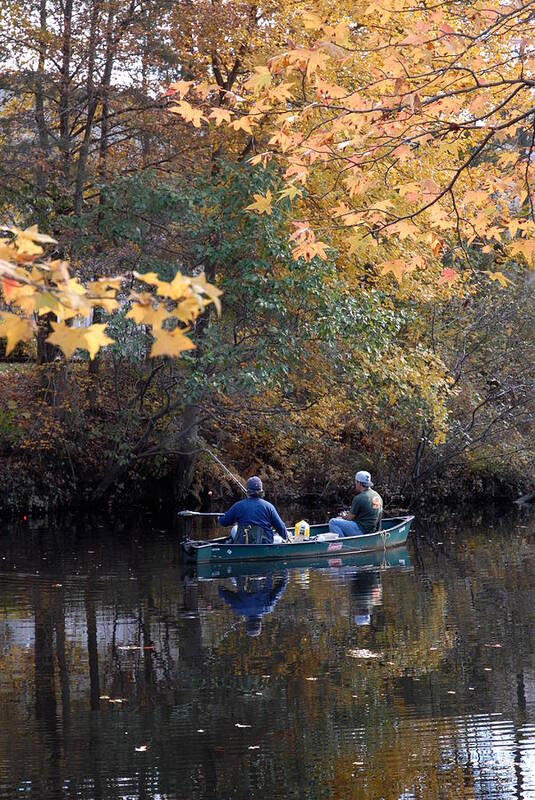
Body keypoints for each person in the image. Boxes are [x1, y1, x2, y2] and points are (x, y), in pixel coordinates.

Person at [218, 476, 288, 544]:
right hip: (264, 543)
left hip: (244, 543)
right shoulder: (269, 507)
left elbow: (224, 522)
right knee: (279, 538)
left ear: (248, 491)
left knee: (234, 528)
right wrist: (286, 537)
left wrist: (220, 518)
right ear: (261, 491)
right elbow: (281, 527)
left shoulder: (238, 505)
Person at [218, 573, 289, 637]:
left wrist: (285, 577)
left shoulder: (268, 607)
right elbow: (222, 592)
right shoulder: (239, 609)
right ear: (247, 623)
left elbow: (280, 589)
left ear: (260, 624)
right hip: (241, 573)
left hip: (266, 571)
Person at [328, 470, 383, 538]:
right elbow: (379, 515)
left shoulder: (359, 498)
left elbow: (349, 519)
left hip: (361, 531)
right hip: (372, 530)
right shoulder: (377, 495)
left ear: (359, 483)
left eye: (356, 482)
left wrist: (343, 516)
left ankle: (341, 544)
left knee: (333, 522)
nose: (355, 484)